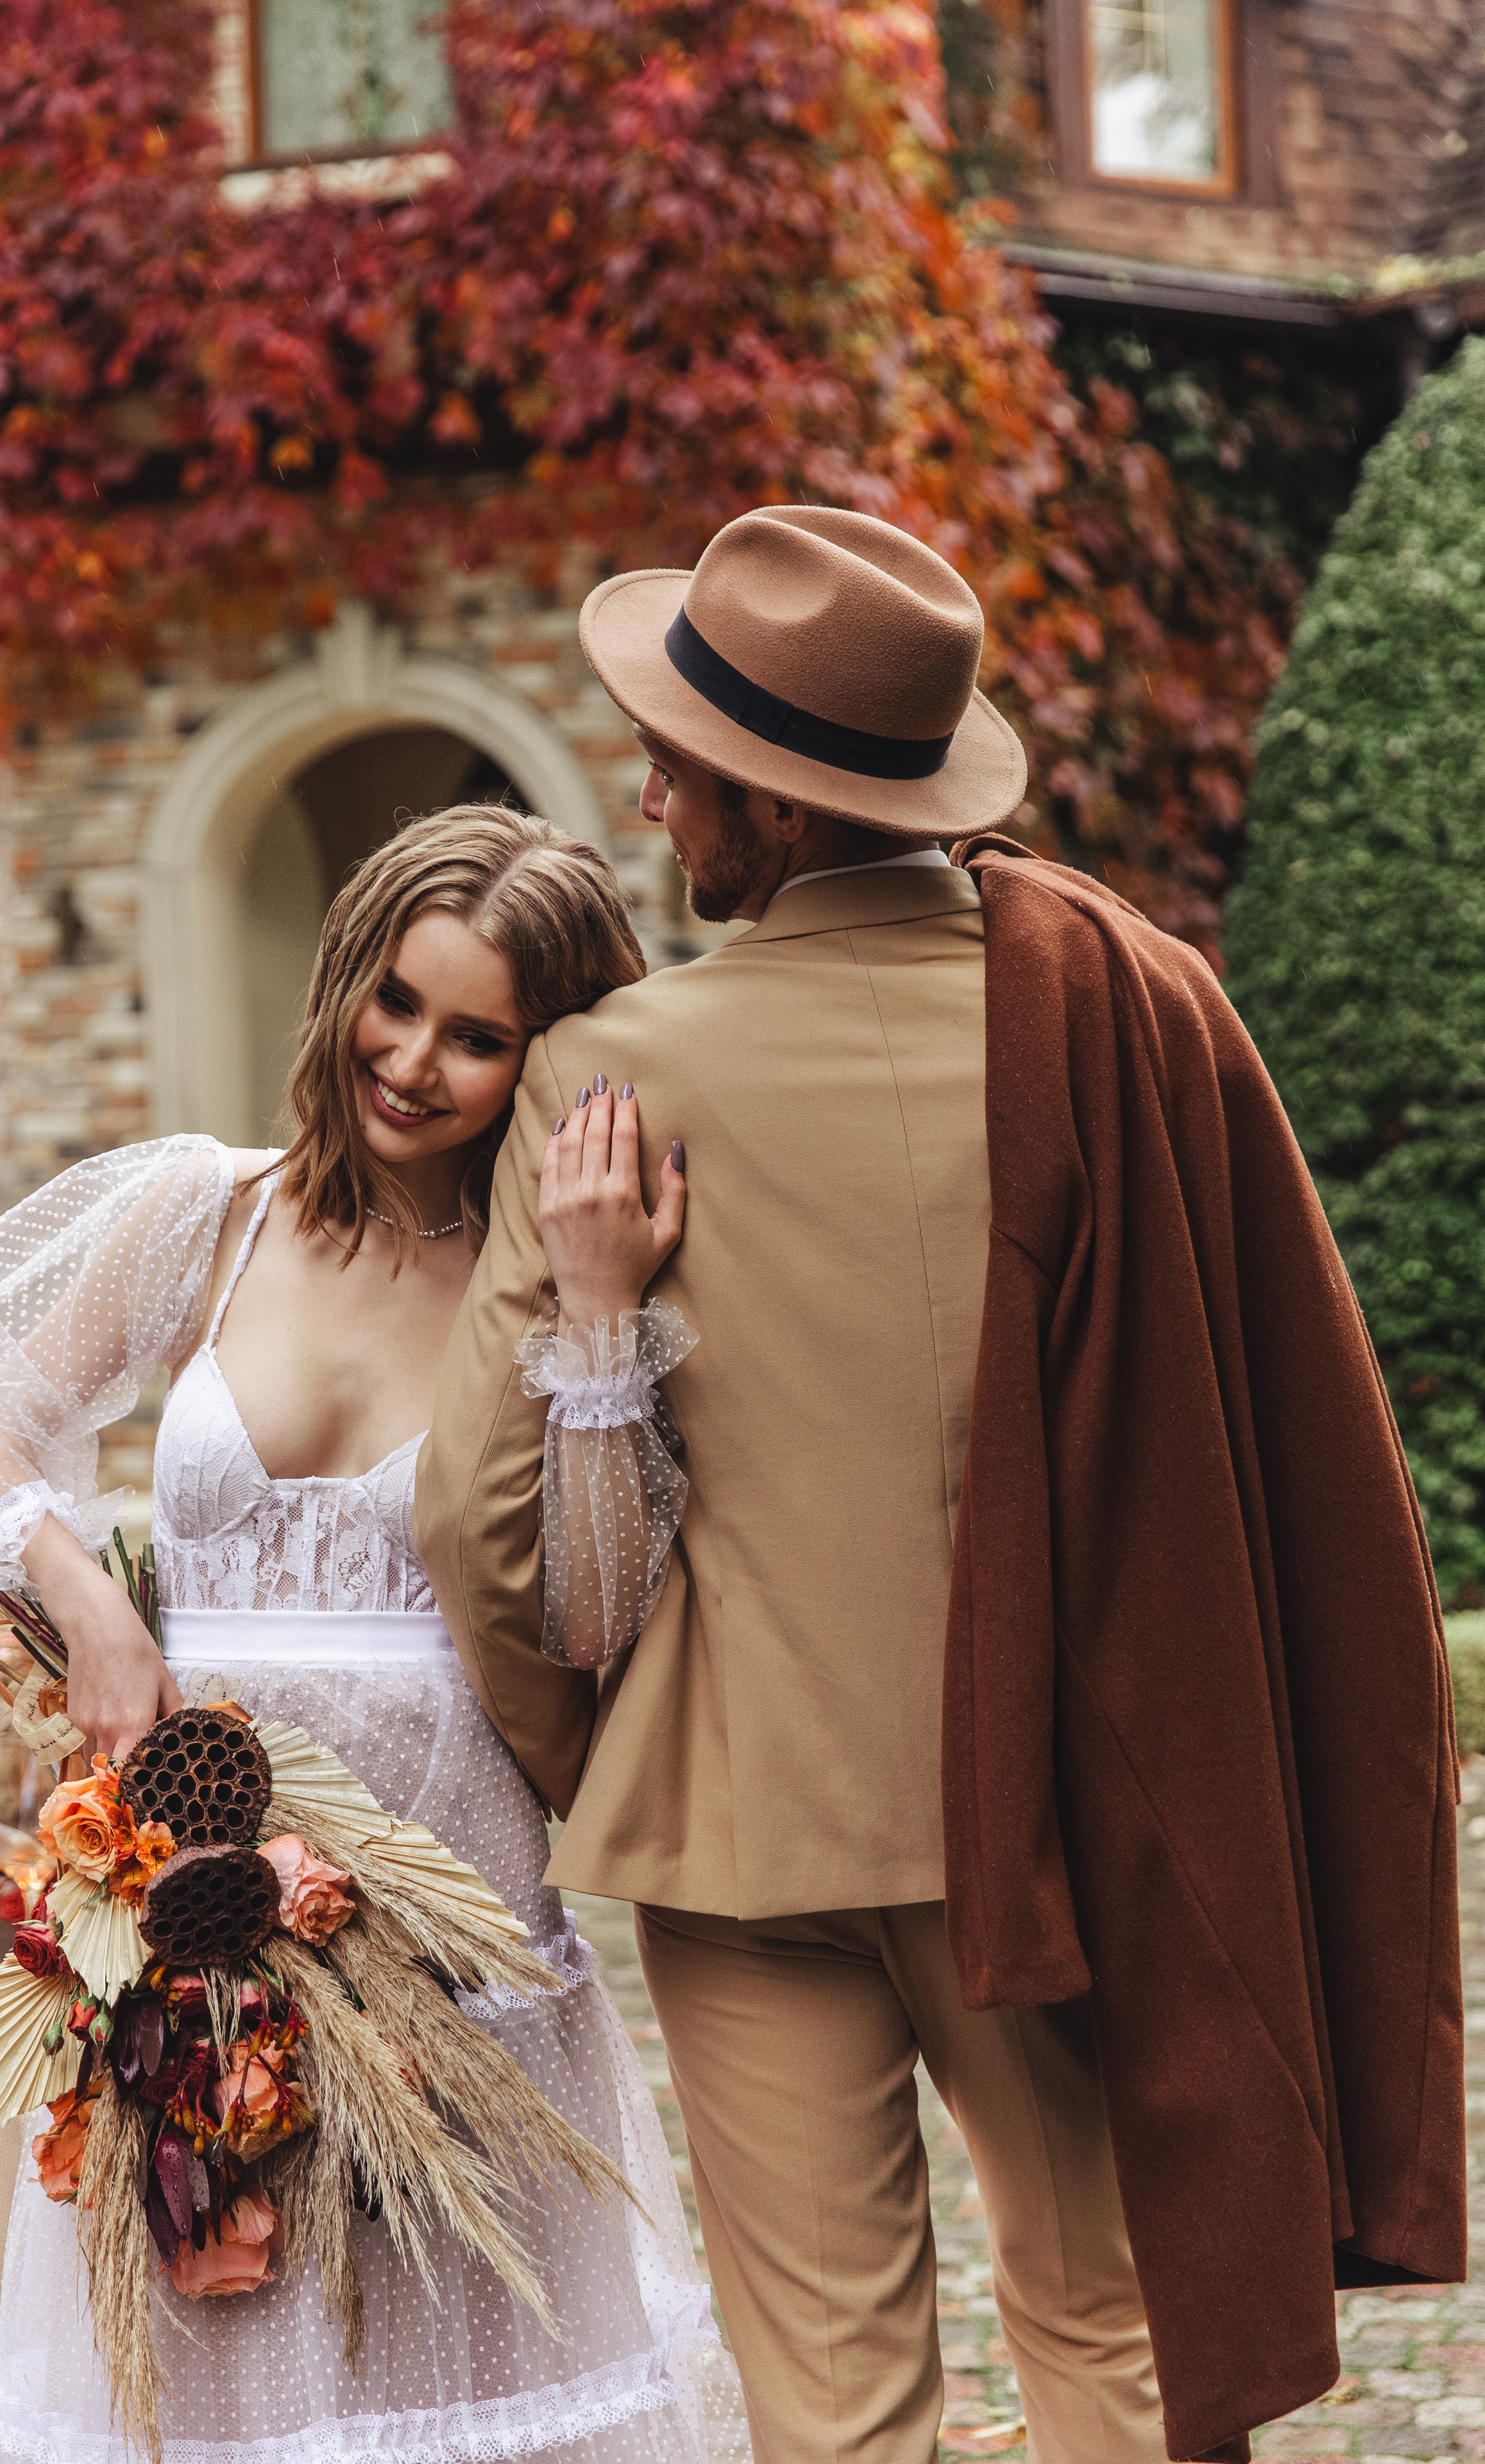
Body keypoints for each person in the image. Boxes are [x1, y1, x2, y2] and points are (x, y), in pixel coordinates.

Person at [416, 506, 1466, 2464]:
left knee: (835, 2403)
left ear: (782, 809)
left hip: (741, 1830)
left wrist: (611, 1754)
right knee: (1115, 2336)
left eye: (681, 769)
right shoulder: (1130, 1021)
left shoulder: (613, 1076)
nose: (650, 801)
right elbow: (1285, 1425)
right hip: (1055, 1813)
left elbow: (482, 1533)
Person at [0, 807, 739, 2464]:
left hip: (450, 1903)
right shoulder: (209, 1216)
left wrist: (597, 1321)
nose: (413, 1063)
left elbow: (595, 1612)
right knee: (214, 2342)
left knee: (454, 2373)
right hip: (191, 1885)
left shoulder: (551, 1274)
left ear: (547, 1056)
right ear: (345, 974)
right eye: (396, 1001)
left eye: (478, 1036)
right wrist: (91, 1604)